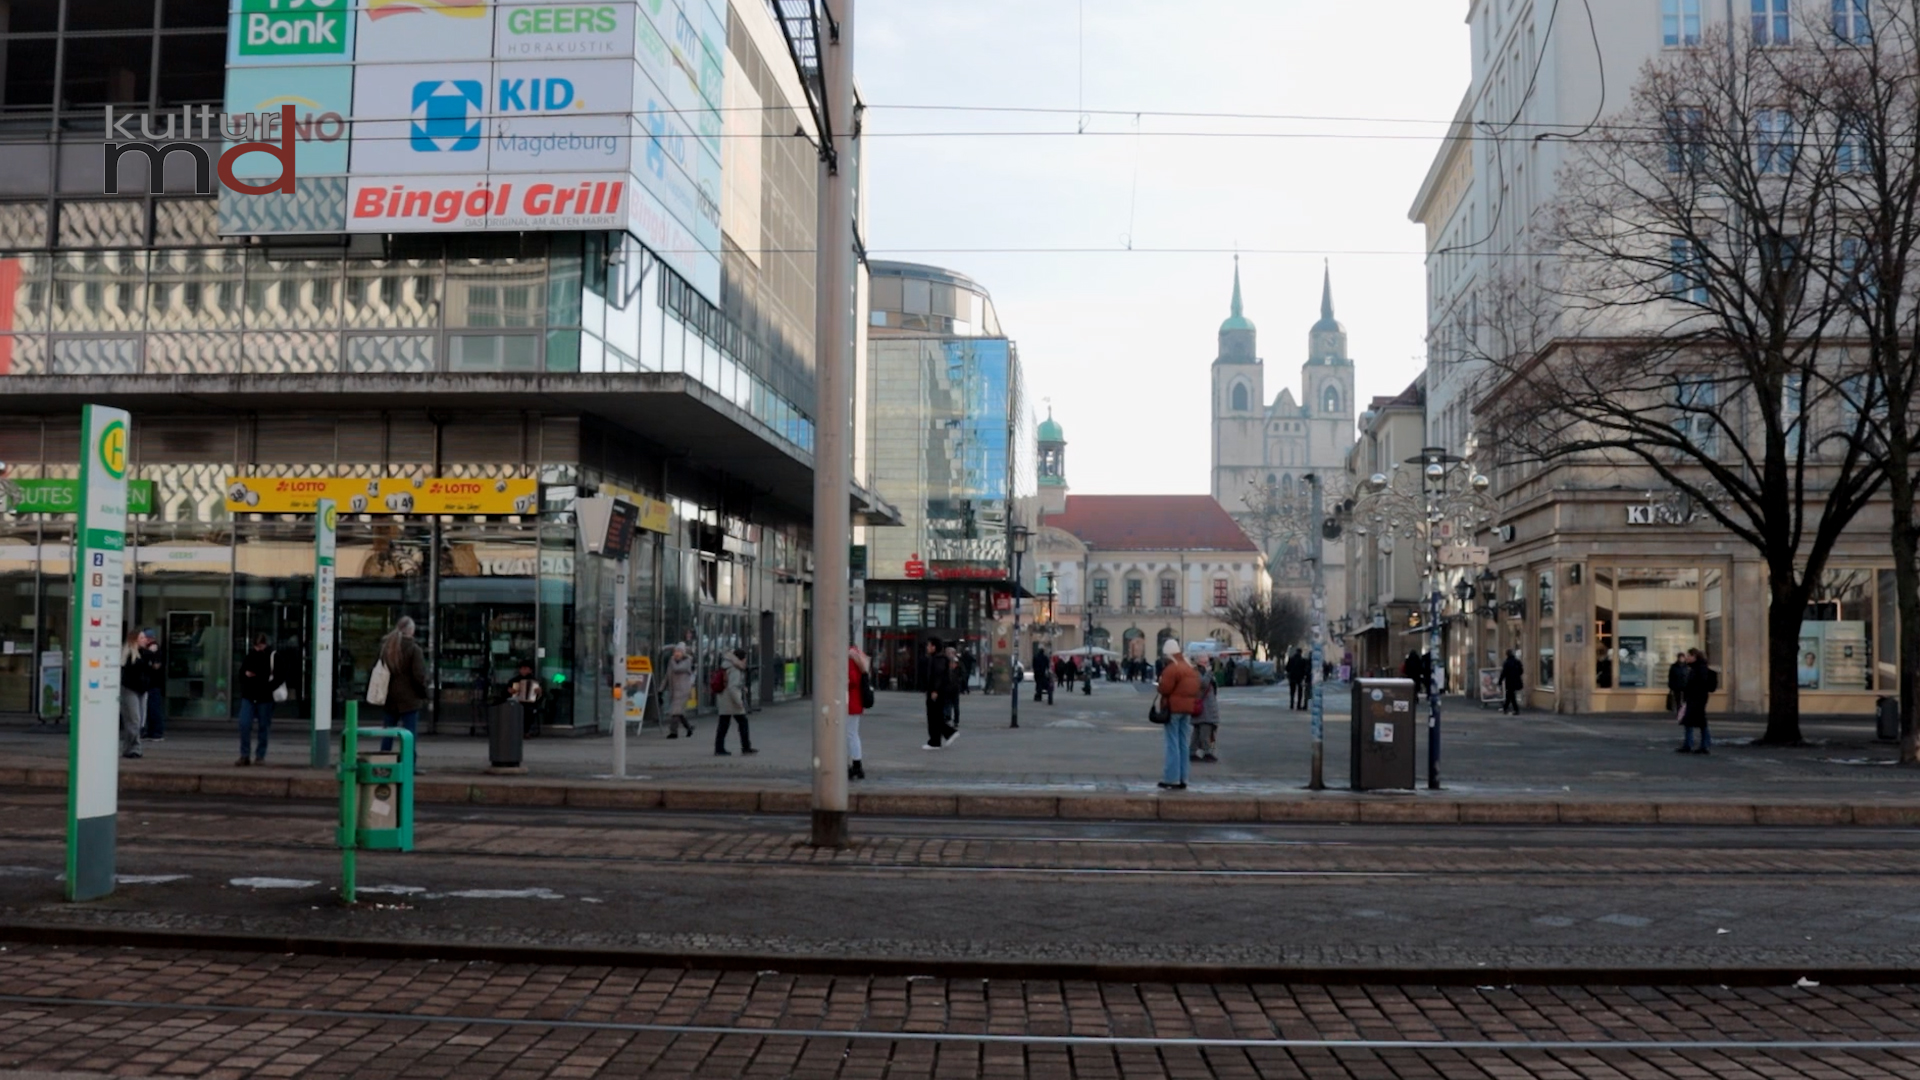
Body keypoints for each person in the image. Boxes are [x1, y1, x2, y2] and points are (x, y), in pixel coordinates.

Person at [376, 616, 429, 755]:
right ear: (410, 631)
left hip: (390, 697)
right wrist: (423, 692)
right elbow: (419, 675)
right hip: (409, 699)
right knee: (409, 735)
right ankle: (409, 765)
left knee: (388, 733)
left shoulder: (387, 648)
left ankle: (384, 763)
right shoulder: (414, 649)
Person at [1155, 640, 1200, 790]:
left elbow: (1164, 689)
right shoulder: (1189, 668)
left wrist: (1160, 685)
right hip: (1187, 709)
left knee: (1172, 743)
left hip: (1173, 709)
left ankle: (1171, 778)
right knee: (1183, 743)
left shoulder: (1172, 669)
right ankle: (1183, 778)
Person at [236, 632, 279, 765]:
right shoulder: (250, 656)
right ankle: (245, 754)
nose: (258, 649)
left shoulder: (273, 656)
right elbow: (241, 675)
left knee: (263, 726)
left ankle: (260, 755)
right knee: (244, 724)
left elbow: (279, 675)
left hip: (264, 696)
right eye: (256, 646)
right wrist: (246, 674)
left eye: (261, 646)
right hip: (249, 695)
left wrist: (264, 682)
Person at [714, 648, 755, 755]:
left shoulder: (726, 665)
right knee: (743, 722)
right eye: (745, 659)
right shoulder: (735, 669)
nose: (746, 661)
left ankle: (719, 748)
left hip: (724, 698)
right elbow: (733, 687)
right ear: (742, 659)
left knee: (723, 724)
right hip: (732, 700)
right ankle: (746, 747)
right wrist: (739, 702)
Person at [1679, 647, 1718, 754]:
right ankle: (1690, 744)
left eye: (1689, 656)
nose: (1687, 658)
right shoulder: (1693, 668)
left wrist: (1691, 692)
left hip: (1697, 698)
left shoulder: (1700, 668)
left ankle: (1703, 745)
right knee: (1690, 721)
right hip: (1694, 698)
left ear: (1694, 656)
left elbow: (1701, 684)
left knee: (1700, 721)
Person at [921, 637, 957, 750]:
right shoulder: (936, 658)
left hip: (937, 692)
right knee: (936, 716)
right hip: (936, 691)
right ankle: (940, 738)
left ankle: (938, 739)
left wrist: (935, 690)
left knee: (934, 716)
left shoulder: (938, 659)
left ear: (934, 647)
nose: (927, 648)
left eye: (928, 645)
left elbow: (938, 676)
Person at [118, 630, 149, 760]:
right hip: (130, 689)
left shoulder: (145, 654)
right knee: (134, 720)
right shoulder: (129, 654)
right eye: (142, 637)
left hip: (142, 690)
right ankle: (135, 747)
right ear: (134, 640)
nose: (145, 639)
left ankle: (129, 747)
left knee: (139, 720)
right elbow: (130, 668)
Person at [1190, 654, 1220, 764]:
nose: (1207, 664)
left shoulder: (1201, 672)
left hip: (1206, 706)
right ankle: (1207, 752)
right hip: (1203, 707)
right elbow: (1203, 684)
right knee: (1204, 732)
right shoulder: (1197, 672)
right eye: (1206, 662)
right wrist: (1209, 672)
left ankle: (1192, 752)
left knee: (1198, 732)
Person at [663, 644, 695, 738]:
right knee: (679, 712)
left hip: (683, 690)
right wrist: (661, 688)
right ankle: (689, 728)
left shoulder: (687, 661)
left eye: (679, 652)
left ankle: (673, 732)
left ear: (683, 653)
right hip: (674, 689)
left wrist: (672, 660)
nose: (677, 654)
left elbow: (677, 669)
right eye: (675, 652)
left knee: (675, 711)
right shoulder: (672, 662)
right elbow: (667, 676)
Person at [139, 629, 165, 742]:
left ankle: (157, 732)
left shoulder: (154, 648)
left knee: (154, 708)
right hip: (150, 683)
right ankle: (151, 731)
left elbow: (156, 665)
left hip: (153, 683)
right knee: (150, 709)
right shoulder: (148, 649)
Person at [847, 645, 869, 780]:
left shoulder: (850, 657)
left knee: (850, 734)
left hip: (850, 702)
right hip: (855, 701)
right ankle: (856, 764)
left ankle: (856, 765)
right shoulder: (857, 654)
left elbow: (852, 680)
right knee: (851, 734)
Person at [508, 662, 543, 737]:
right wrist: (510, 691)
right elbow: (506, 692)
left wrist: (539, 692)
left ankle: (525, 731)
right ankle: (515, 730)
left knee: (529, 711)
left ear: (530, 671)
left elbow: (540, 696)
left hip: (530, 703)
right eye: (522, 669)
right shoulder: (514, 680)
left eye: (526, 669)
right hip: (517, 701)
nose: (523, 671)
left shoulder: (535, 681)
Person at [1498, 649, 1525, 715]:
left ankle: (1511, 709)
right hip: (1516, 680)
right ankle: (1508, 708)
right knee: (1511, 695)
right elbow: (1521, 671)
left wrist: (1500, 681)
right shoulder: (1517, 661)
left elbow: (1504, 673)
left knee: (1510, 695)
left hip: (1509, 681)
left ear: (1507, 655)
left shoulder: (1506, 662)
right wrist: (1517, 675)